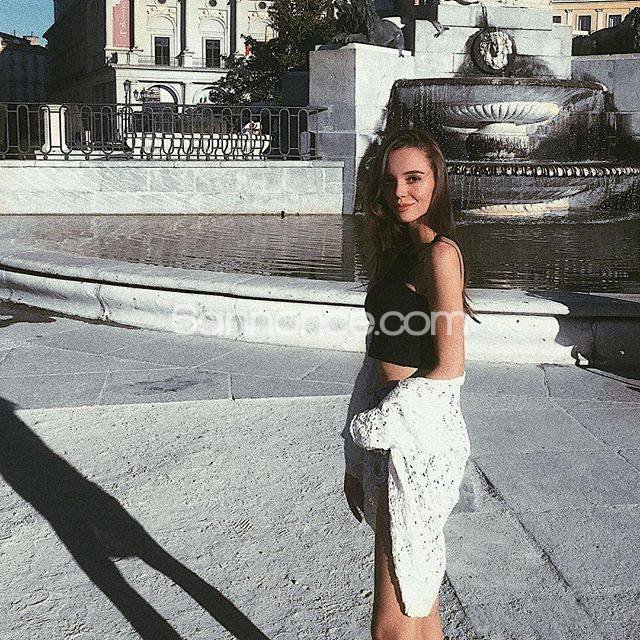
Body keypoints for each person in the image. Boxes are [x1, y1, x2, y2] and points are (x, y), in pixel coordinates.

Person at [342, 127, 477, 640]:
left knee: (392, 623)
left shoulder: (441, 255)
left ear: (437, 182)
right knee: (419, 607)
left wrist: (372, 429)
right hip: (391, 436)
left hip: (416, 441)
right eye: (390, 180)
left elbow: (450, 367)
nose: (400, 191)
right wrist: (355, 458)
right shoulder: (400, 252)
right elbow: (376, 356)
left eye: (414, 178)